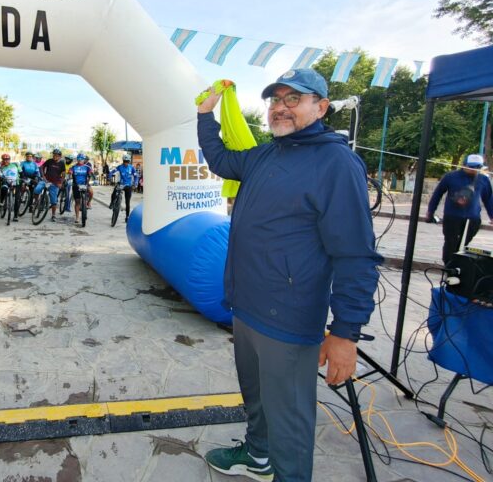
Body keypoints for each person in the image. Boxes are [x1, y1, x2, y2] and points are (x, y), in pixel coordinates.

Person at [197, 69, 382, 482]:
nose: (280, 107)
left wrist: (345, 333)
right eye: (275, 100)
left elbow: (355, 255)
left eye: (293, 99)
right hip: (245, 307)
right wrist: (205, 117)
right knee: (258, 399)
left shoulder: (336, 163)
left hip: (289, 318)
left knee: (290, 421)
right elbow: (222, 160)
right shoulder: (267, 153)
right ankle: (258, 457)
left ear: (321, 107)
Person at [426, 153, 493, 264]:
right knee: (450, 242)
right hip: (452, 216)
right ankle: (448, 265)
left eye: (477, 167)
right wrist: (430, 211)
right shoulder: (450, 177)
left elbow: (489, 199)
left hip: (473, 218)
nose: (474, 169)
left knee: (463, 244)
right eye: (471, 167)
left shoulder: (483, 180)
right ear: (464, 165)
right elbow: (437, 194)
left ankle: (457, 264)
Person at [109, 154, 138, 223]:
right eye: (125, 161)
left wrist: (135, 183)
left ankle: (127, 216)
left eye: (127, 161)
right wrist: (109, 176)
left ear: (129, 161)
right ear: (123, 161)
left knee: (127, 202)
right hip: (121, 184)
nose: (126, 163)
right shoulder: (119, 167)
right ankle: (112, 203)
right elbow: (113, 171)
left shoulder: (132, 168)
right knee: (114, 191)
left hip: (128, 186)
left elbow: (136, 176)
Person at [41, 149, 66, 222]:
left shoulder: (62, 163)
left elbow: (64, 174)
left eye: (57, 155)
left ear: (60, 156)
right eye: (54, 154)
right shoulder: (49, 161)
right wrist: (43, 176)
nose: (55, 156)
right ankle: (37, 203)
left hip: (55, 183)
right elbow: (41, 167)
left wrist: (61, 182)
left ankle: (53, 215)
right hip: (46, 181)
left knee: (54, 201)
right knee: (37, 190)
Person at [69, 153, 93, 224]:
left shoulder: (87, 167)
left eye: (81, 159)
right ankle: (77, 217)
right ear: (77, 159)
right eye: (78, 159)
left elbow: (90, 173)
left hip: (85, 184)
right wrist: (70, 173)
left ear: (84, 160)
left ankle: (88, 202)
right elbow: (70, 172)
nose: (80, 160)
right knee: (77, 201)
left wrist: (91, 174)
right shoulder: (73, 167)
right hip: (76, 185)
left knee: (91, 192)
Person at [0, 153, 21, 222]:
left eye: (7, 159)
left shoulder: (15, 165)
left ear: (9, 160)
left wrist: (23, 178)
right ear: (2, 160)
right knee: (3, 188)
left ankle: (15, 216)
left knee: (17, 199)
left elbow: (21, 172)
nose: (5, 161)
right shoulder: (2, 167)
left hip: (16, 182)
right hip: (7, 182)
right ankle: (1, 201)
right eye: (4, 160)